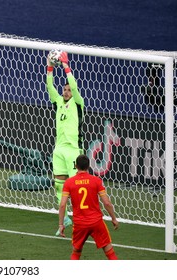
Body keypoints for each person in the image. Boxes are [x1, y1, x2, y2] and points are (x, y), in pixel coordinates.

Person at [46, 51, 84, 235]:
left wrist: (66, 66)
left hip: (73, 150)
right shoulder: (58, 101)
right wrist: (50, 67)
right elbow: (49, 86)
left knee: (76, 186)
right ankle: (66, 218)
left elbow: (75, 87)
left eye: (69, 89)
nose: (66, 91)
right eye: (65, 89)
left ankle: (81, 221)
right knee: (59, 185)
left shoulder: (78, 103)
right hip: (59, 149)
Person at [58, 154, 119, 260]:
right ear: (88, 166)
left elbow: (62, 205)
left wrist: (61, 224)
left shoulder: (69, 182)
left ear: (76, 166)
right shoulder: (96, 181)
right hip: (96, 222)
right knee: (110, 252)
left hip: (80, 224)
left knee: (76, 252)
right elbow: (107, 203)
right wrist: (113, 218)